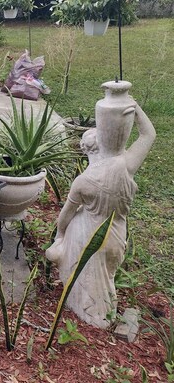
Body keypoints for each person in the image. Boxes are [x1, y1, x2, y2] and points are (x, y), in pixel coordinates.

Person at [46, 103, 155, 328]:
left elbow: (65, 216)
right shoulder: (126, 165)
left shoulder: (82, 182)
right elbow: (148, 134)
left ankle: (93, 316)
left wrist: (59, 236)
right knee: (107, 277)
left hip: (87, 236)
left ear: (86, 150)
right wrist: (135, 109)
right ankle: (104, 316)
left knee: (85, 278)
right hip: (116, 234)